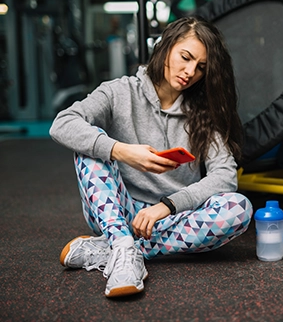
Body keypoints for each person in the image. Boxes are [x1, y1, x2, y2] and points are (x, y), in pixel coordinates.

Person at [50, 16, 253, 298]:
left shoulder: (205, 112)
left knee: (239, 208)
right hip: (117, 213)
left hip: (173, 217)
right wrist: (122, 151)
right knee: (90, 147)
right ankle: (121, 243)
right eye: (185, 57)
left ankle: (119, 251)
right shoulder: (119, 92)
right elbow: (62, 124)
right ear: (165, 46)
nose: (190, 71)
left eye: (201, 67)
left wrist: (167, 205)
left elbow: (225, 176)